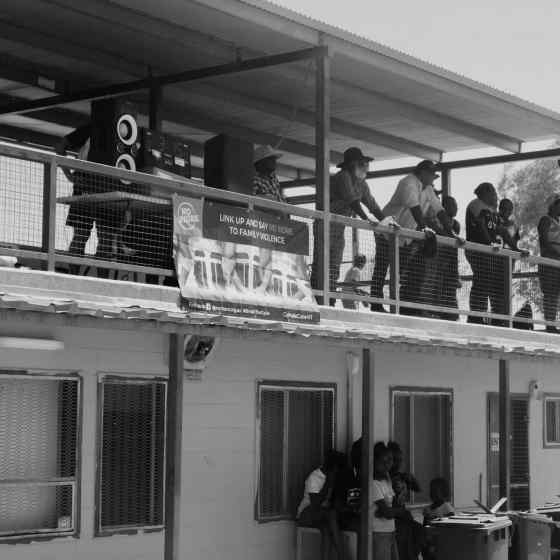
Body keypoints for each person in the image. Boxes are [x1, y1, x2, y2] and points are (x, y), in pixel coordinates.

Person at [310, 147, 396, 306]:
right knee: (321, 264)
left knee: (334, 265)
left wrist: (387, 220)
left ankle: (329, 300)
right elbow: (352, 200)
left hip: (339, 227)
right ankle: (316, 300)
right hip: (325, 225)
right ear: (353, 164)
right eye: (363, 163)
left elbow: (372, 205)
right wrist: (365, 218)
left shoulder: (362, 184)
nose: (366, 167)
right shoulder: (343, 177)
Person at [370, 160, 454, 314]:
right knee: (382, 268)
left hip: (404, 237)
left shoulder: (427, 188)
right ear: (422, 172)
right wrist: (424, 229)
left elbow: (439, 210)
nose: (432, 179)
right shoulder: (408, 182)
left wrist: (452, 234)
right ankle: (376, 304)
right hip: (387, 232)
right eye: (431, 175)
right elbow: (415, 209)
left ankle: (399, 306)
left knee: (400, 272)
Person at [465, 182, 507, 325]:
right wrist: (490, 243)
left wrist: (516, 248)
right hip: (479, 249)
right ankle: (475, 316)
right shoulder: (477, 204)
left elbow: (502, 230)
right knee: (482, 280)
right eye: (493, 192)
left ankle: (496, 317)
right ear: (485, 193)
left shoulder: (492, 210)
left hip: (490, 251)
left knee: (493, 282)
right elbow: (481, 226)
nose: (496, 196)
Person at [297, 450, 348, 560]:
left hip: (322, 515)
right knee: (330, 514)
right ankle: (342, 556)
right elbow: (316, 504)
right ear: (333, 468)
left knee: (326, 529)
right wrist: (328, 483)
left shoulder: (335, 478)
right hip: (305, 514)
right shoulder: (314, 477)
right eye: (337, 470)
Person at [252, 145, 286, 294]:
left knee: (276, 260)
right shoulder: (254, 179)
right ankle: (260, 287)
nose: (275, 162)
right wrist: (268, 200)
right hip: (262, 227)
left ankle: (273, 288)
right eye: (271, 159)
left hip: (277, 227)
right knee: (262, 259)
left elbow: (280, 201)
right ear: (261, 162)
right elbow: (250, 202)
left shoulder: (274, 180)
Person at [387, 441, 423, 560]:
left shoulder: (402, 477)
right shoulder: (386, 478)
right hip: (394, 516)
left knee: (420, 531)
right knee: (406, 536)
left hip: (404, 514)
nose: (398, 464)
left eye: (400, 460)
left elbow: (418, 489)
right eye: (395, 460)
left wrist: (411, 479)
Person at [371, 442, 403, 560]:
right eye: (383, 462)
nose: (387, 465)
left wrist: (390, 511)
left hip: (390, 531)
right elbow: (387, 513)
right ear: (374, 462)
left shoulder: (387, 480)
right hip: (379, 533)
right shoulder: (373, 484)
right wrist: (397, 511)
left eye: (390, 461)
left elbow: (392, 506)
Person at [538, 194, 560, 333]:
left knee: (556, 294)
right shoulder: (545, 220)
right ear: (554, 205)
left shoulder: (558, 221)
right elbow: (544, 241)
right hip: (549, 261)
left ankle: (554, 323)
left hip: (558, 263)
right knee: (550, 293)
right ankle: (550, 325)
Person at [422, 478, 454, 560]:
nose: (433, 494)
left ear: (444, 492)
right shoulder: (428, 508)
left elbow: (450, 529)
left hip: (441, 544)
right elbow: (424, 527)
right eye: (431, 491)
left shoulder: (447, 508)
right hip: (428, 543)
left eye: (436, 491)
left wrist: (432, 517)